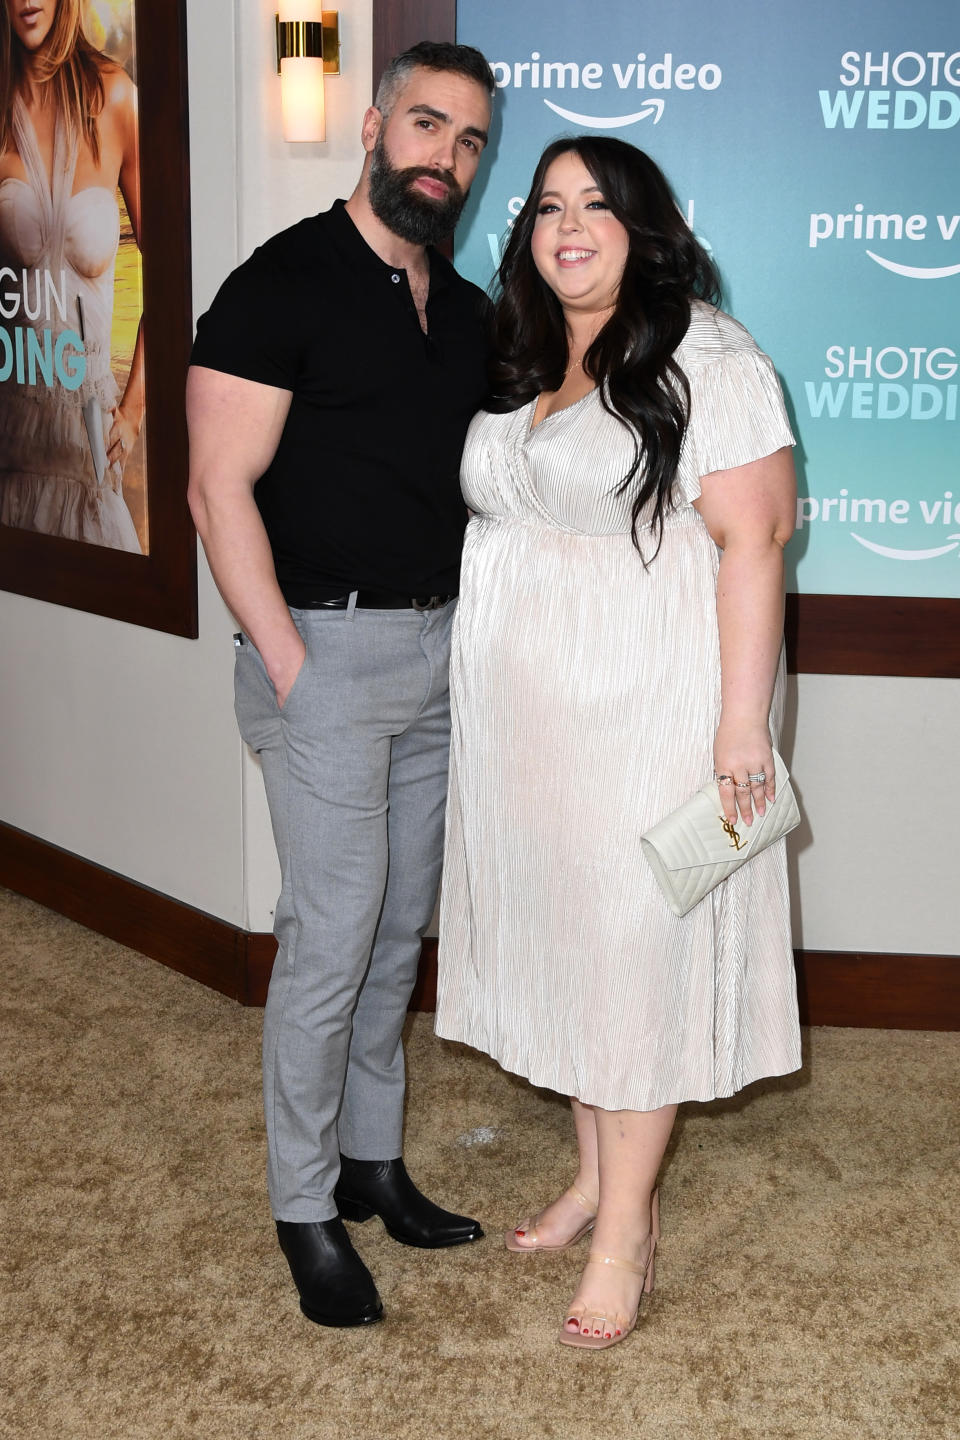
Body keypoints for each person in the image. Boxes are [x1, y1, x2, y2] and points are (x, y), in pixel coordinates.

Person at [436, 136, 802, 1350]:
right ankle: (596, 1174)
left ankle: (624, 1234)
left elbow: (753, 544)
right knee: (573, 949)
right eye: (548, 206)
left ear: (646, 228)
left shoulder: (710, 354)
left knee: (632, 966)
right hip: (524, 730)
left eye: (596, 205)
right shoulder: (528, 347)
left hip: (648, 718)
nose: (567, 225)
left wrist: (740, 729)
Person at [186, 42, 496, 1329]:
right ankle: (305, 1206)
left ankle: (373, 1160)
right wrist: (290, 661)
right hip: (320, 651)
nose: (446, 158)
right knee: (327, 943)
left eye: (471, 141)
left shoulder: (468, 311)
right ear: (373, 126)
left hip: (435, 656)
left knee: (395, 933)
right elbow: (217, 488)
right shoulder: (281, 282)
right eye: (427, 126)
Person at [0, 0, 143, 550]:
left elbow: (172, 278)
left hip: (87, 443)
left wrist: (131, 413)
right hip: (9, 444)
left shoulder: (116, 97)